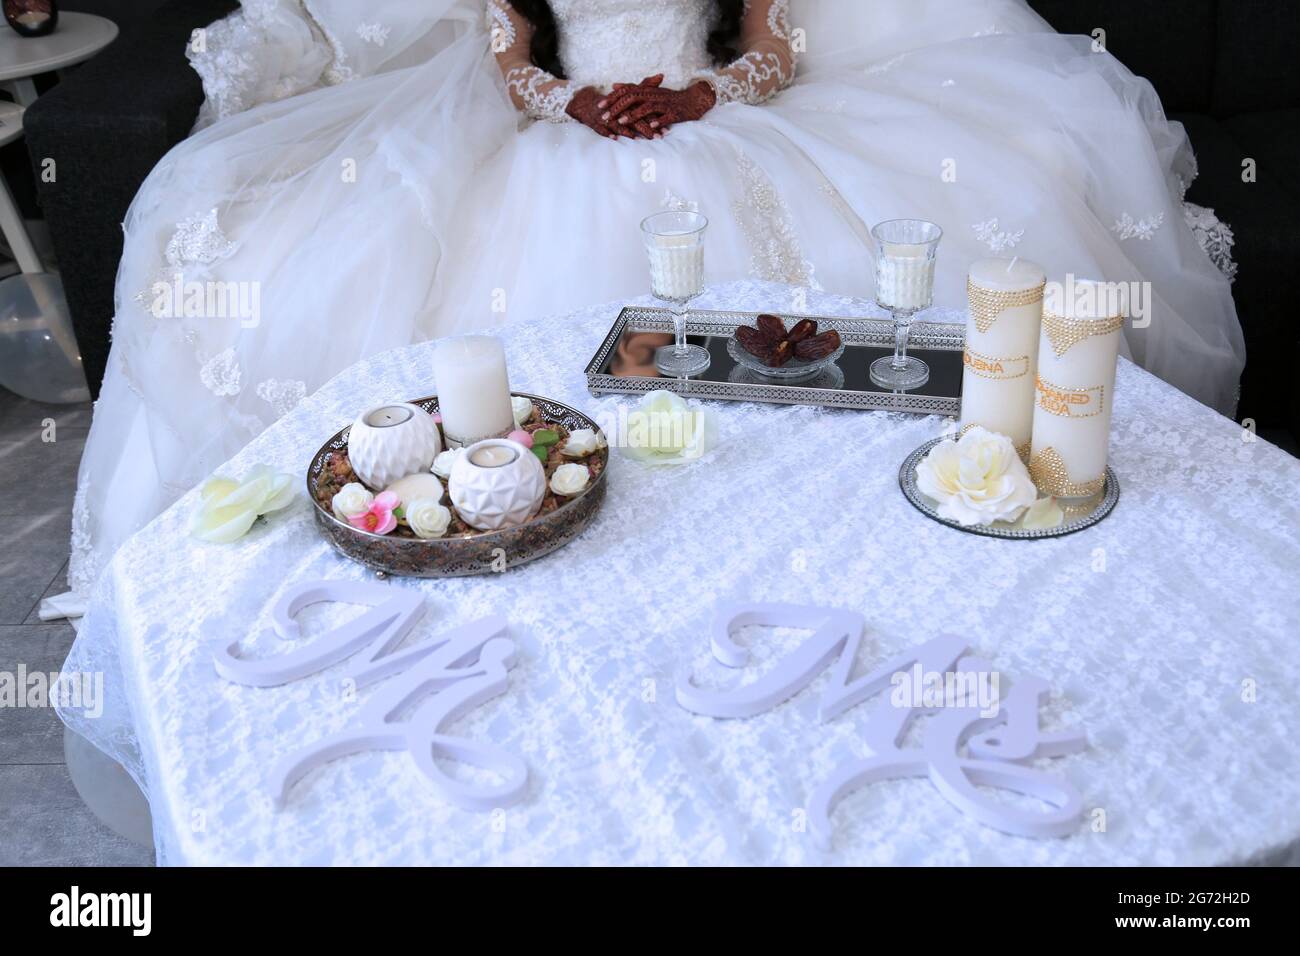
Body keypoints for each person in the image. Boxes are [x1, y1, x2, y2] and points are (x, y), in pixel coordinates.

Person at [58, 0, 1243, 609]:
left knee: (810, 304)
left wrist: (703, 91)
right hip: (566, 133)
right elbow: (502, 51)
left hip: (713, 121)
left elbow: (775, 44)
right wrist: (566, 101)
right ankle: (563, 525)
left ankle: (811, 540)